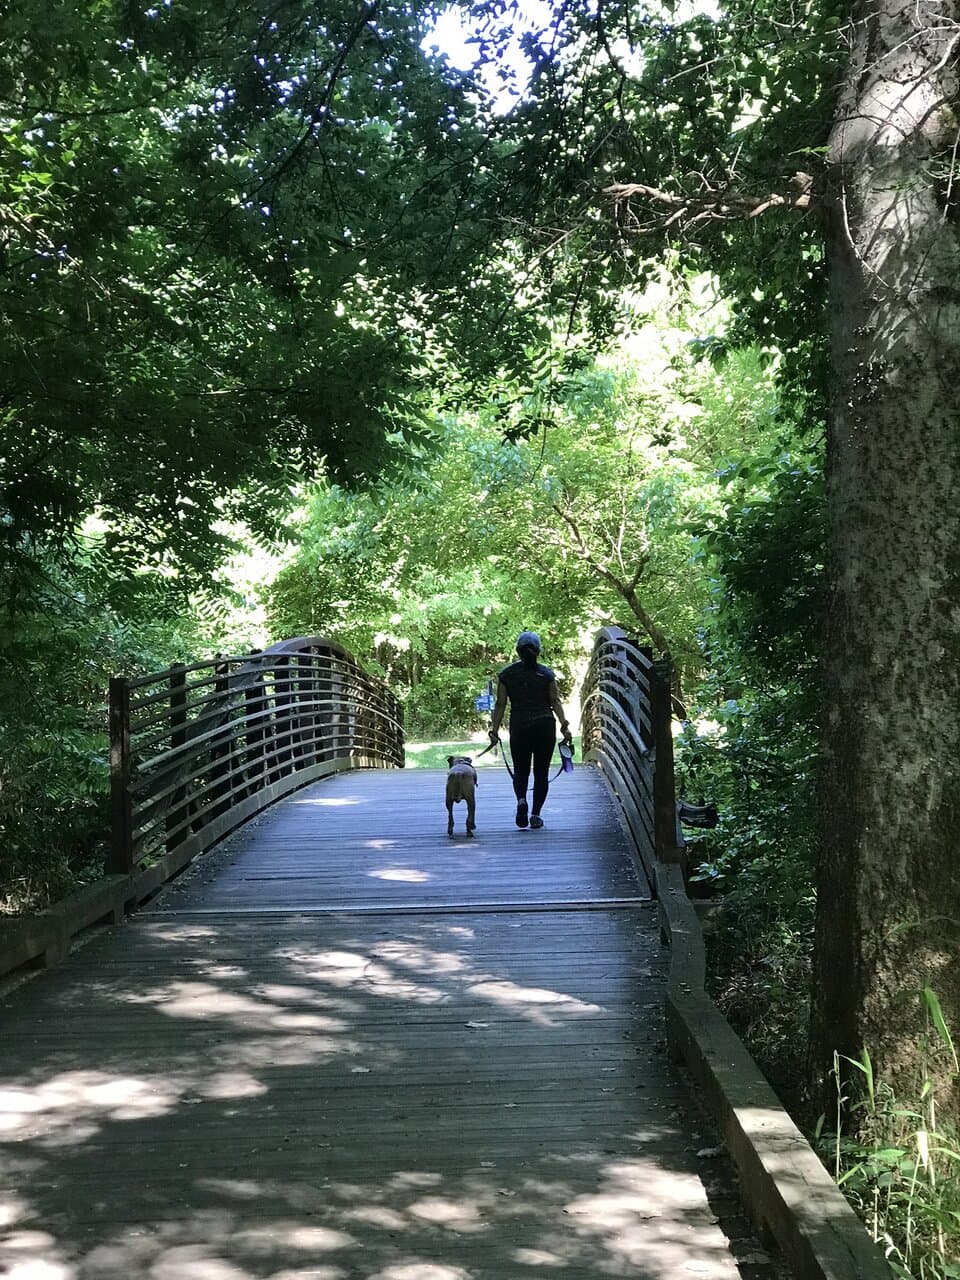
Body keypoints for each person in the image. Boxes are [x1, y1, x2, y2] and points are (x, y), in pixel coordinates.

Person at [488, 631, 572, 830]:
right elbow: (555, 701)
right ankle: (535, 815)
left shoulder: (507, 675)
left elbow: (500, 704)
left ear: (518, 651)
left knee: (521, 770)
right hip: (545, 726)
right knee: (541, 772)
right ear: (538, 651)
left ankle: (521, 801)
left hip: (520, 726)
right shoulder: (547, 674)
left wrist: (494, 730)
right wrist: (564, 726)